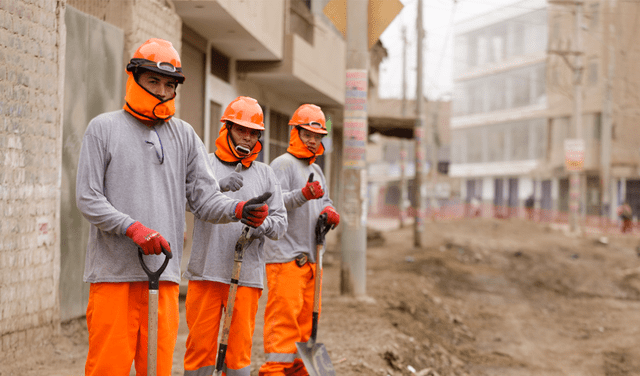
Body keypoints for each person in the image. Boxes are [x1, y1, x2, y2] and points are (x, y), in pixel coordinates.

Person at [75, 39, 271, 376]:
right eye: (153, 81)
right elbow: (88, 199)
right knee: (108, 368)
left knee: (157, 369)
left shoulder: (184, 136)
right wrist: (132, 227)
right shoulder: (103, 129)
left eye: (169, 84)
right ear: (133, 78)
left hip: (162, 277)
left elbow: (205, 199)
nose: (162, 92)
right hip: (113, 277)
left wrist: (238, 210)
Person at [182, 97, 287, 376]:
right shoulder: (205, 165)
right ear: (226, 128)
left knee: (238, 353)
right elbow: (187, 200)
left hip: (246, 277)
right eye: (242, 130)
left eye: (254, 133)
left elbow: (281, 224)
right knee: (199, 351)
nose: (248, 138)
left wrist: (261, 225)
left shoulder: (265, 174)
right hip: (206, 272)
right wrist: (216, 186)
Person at [259, 104, 340, 376]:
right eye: (308, 134)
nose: (312, 141)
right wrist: (303, 195)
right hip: (285, 258)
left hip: (311, 259)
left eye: (317, 136)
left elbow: (325, 200)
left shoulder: (318, 170)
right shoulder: (282, 164)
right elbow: (272, 204)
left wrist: (329, 210)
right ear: (295, 131)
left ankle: (298, 369)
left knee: (308, 323)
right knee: (284, 322)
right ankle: (274, 370)